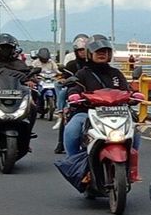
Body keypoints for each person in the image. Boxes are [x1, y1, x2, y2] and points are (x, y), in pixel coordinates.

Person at [64, 35, 142, 181]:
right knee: (72, 128)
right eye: (98, 51)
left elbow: (127, 90)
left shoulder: (116, 74)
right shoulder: (83, 74)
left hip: (117, 113)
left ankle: (131, 168)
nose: (102, 54)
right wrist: (74, 95)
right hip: (88, 113)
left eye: (106, 51)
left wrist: (134, 95)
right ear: (89, 53)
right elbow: (74, 88)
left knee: (135, 132)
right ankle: (75, 166)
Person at [0, 33, 39, 137]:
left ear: (13, 49)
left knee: (33, 107)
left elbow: (30, 76)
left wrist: (30, 81)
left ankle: (27, 133)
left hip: (17, 96)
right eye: (2, 48)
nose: (5, 50)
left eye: (8, 48)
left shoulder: (19, 63)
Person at [55, 35, 90, 153]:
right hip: (77, 97)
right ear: (76, 51)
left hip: (97, 99)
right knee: (68, 117)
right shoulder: (72, 65)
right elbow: (66, 78)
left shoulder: (100, 67)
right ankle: (61, 143)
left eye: (85, 50)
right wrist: (69, 84)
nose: (83, 53)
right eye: (80, 50)